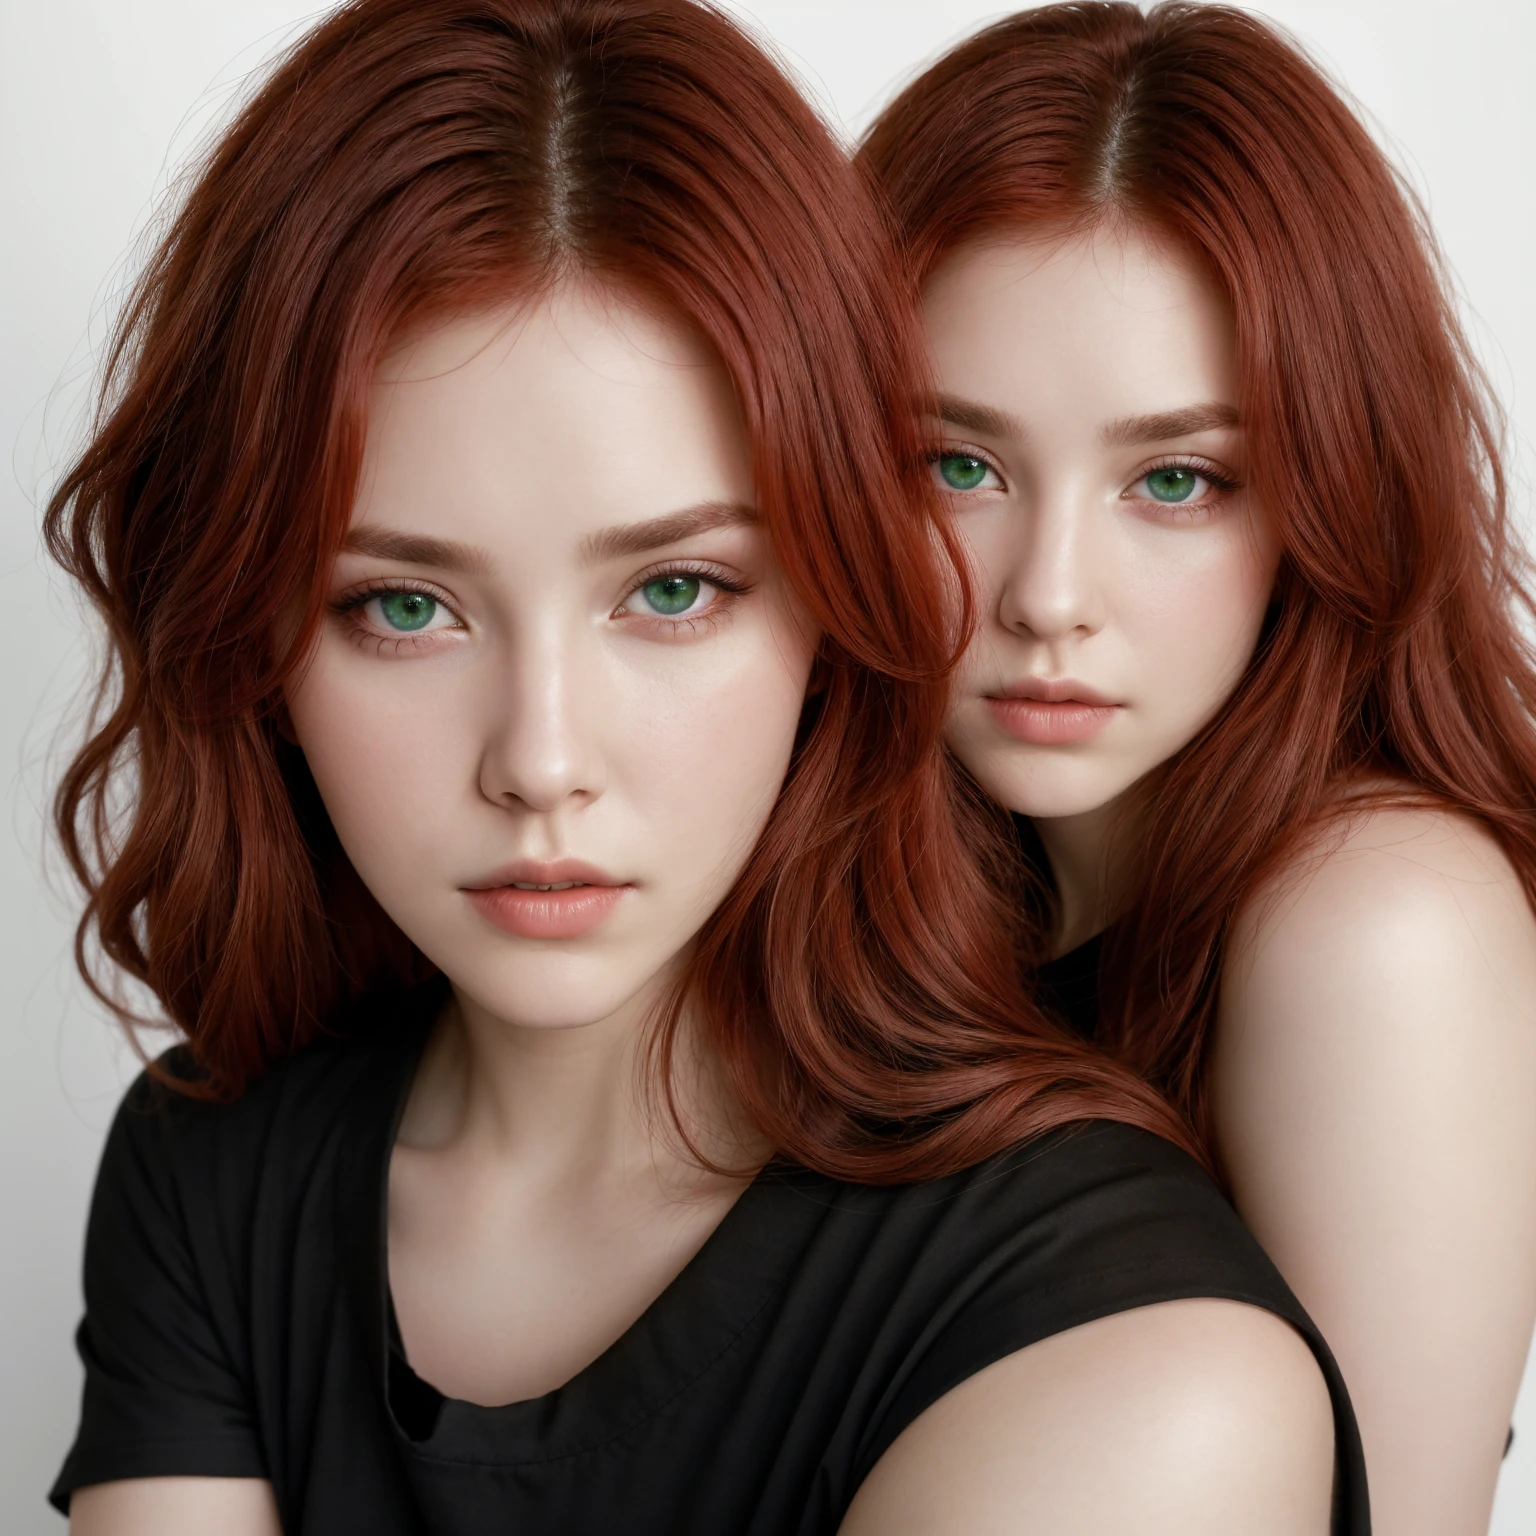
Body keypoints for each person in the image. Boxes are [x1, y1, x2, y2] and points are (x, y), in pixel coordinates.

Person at [47, 1, 1364, 1532]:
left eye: (672, 590)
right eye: (402, 607)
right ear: (251, 645)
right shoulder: (211, 1169)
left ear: (840, 610)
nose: (542, 762)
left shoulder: (1137, 1368)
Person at [859, 4, 1536, 1533]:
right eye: (957, 466)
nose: (1047, 592)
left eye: (1177, 480)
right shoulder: (935, 886)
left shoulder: (1378, 928)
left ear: (1325, 497)